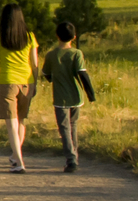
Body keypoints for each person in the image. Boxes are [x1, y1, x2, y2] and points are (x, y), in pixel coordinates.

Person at [0, 2, 40, 172]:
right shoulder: (30, 36)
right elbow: (34, 63)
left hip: (6, 81)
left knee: (10, 122)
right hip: (26, 81)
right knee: (21, 120)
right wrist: (35, 82)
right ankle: (15, 155)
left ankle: (19, 161)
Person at [42, 19, 98, 171]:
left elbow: (46, 74)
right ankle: (74, 156)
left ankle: (71, 158)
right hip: (76, 96)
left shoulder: (51, 55)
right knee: (73, 126)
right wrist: (90, 94)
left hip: (60, 98)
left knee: (64, 128)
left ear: (57, 36)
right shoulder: (77, 54)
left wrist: (54, 78)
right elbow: (82, 74)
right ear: (74, 37)